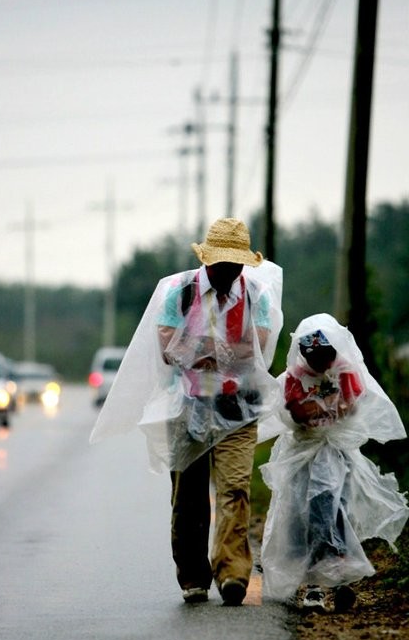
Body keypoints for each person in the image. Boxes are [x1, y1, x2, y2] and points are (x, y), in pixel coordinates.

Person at [90, 217, 283, 606]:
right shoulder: (179, 292)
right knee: (188, 496)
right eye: (223, 263)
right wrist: (221, 350)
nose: (230, 270)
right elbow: (167, 346)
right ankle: (193, 576)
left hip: (238, 408)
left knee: (235, 490)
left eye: (236, 264)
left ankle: (232, 572)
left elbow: (255, 350)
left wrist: (204, 350)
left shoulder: (256, 295)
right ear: (209, 260)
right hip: (186, 408)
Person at [259, 313, 408, 613]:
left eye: (326, 357)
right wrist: (316, 410)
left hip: (336, 453)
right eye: (316, 359)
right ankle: (313, 584)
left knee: (335, 511)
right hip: (304, 455)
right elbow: (296, 413)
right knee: (303, 515)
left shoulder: (344, 371)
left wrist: (326, 409)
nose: (322, 365)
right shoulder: (293, 378)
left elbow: (351, 405)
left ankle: (340, 582)